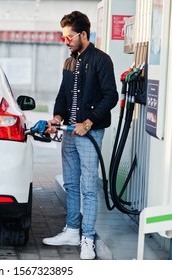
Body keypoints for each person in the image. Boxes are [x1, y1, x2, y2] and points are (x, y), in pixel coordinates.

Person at [42, 11, 118, 260]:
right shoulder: (69, 62)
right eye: (63, 37)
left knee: (88, 187)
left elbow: (111, 96)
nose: (66, 41)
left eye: (69, 37)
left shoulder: (101, 60)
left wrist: (89, 121)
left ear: (83, 34)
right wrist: (56, 118)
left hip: (89, 133)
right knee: (71, 184)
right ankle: (72, 230)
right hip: (70, 134)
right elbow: (63, 95)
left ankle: (88, 238)